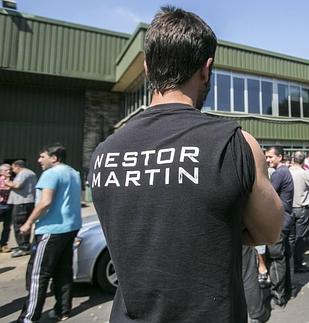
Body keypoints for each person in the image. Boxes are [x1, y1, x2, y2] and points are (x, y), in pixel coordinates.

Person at [89, 7, 283, 323]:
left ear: (148, 67)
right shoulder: (236, 143)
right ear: (206, 69)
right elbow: (270, 231)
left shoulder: (103, 153)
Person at [17, 144, 82, 322]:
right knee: (63, 271)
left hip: (51, 230)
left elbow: (45, 202)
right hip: (70, 228)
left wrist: (28, 223)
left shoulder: (51, 174)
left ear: (54, 158)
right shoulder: (74, 173)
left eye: (42, 156)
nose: (39, 160)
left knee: (39, 274)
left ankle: (28, 317)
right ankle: (63, 310)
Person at [264, 146, 294, 308]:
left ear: (280, 157)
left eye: (270, 157)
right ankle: (287, 291)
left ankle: (278, 296)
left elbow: (267, 194)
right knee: (285, 257)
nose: (267, 160)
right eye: (266, 157)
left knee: (276, 258)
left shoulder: (279, 173)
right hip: (285, 219)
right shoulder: (284, 172)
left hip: (279, 221)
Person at [289, 151, 309, 273]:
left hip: (288, 209)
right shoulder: (304, 174)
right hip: (301, 208)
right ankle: (297, 263)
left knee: (289, 237)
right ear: (304, 160)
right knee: (300, 238)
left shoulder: (286, 172)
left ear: (293, 159)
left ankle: (289, 262)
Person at [5, 160, 37, 257]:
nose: (12, 170)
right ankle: (25, 245)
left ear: (17, 166)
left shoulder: (23, 173)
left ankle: (23, 247)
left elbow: (17, 185)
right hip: (28, 201)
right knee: (25, 224)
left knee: (19, 224)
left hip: (21, 202)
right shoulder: (31, 173)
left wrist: (7, 182)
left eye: (13, 168)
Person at [0, 164, 12, 253]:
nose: (9, 171)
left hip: (9, 205)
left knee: (7, 227)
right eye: (6, 170)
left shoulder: (12, 181)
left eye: (9, 170)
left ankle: (3, 244)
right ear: (1, 172)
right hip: (0, 205)